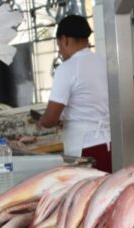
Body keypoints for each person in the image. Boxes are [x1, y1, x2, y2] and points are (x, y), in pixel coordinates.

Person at [37, 15, 112, 172]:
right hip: (110, 145)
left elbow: (50, 119)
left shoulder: (68, 68)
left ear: (64, 40)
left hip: (85, 150)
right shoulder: (103, 61)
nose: (61, 51)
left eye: (59, 46)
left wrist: (42, 121)